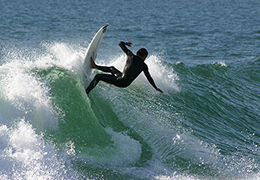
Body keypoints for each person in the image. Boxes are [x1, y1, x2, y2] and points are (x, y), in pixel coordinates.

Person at [85, 41, 163, 94]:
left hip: (120, 80)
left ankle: (87, 92)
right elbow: (148, 77)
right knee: (112, 68)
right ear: (144, 56)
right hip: (125, 83)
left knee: (98, 76)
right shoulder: (144, 65)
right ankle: (94, 66)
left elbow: (120, 43)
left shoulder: (130, 55)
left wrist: (126, 43)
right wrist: (155, 87)